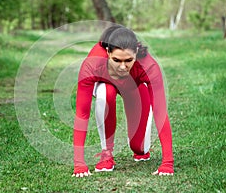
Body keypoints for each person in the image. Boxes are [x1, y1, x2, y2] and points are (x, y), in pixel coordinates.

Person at [72, 25, 174, 177]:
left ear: (137, 53)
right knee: (105, 93)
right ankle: (106, 154)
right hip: (105, 86)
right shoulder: (92, 64)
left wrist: (167, 163)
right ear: (107, 52)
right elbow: (82, 113)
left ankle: (140, 149)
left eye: (128, 60)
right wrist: (79, 163)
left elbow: (160, 112)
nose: (122, 66)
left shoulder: (149, 66)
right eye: (116, 60)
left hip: (134, 89)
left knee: (140, 149)